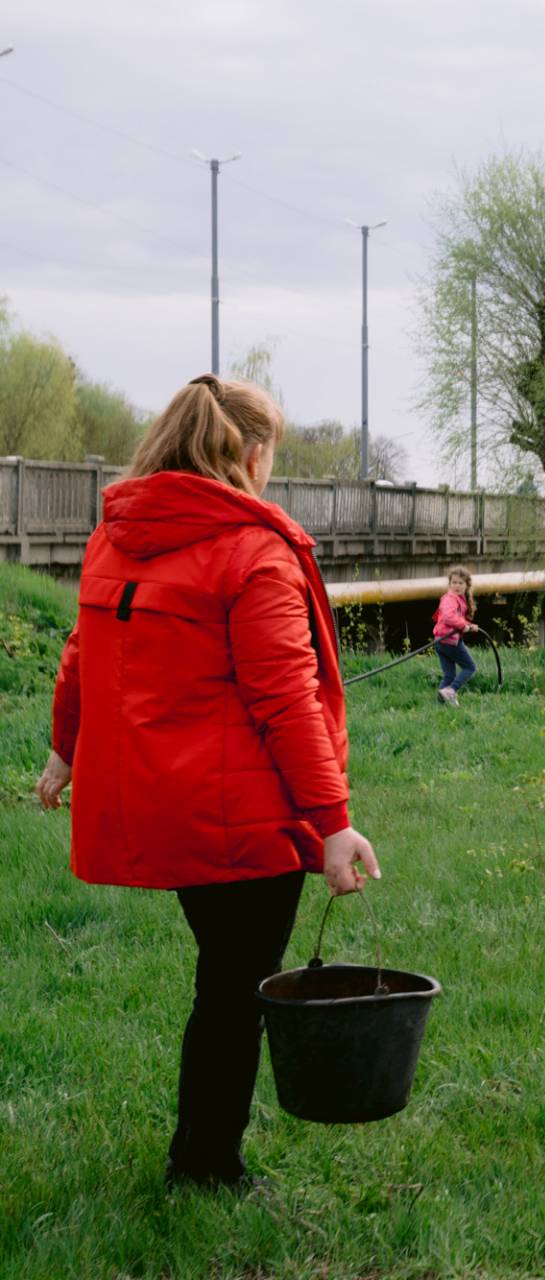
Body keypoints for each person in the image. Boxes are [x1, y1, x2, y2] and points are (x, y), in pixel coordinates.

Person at [35, 373, 380, 1191]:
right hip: (242, 815)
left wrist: (63, 750)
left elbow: (83, 653)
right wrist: (333, 822)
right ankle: (206, 1167)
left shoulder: (115, 538)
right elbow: (286, 699)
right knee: (234, 991)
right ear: (250, 454)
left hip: (168, 803)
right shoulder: (254, 551)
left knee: (223, 981)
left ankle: (199, 1153)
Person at [432, 565, 479, 705]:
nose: (457, 586)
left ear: (467, 585)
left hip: (441, 641)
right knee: (470, 667)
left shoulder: (456, 599)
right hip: (449, 641)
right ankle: (451, 690)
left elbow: (456, 618)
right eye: (454, 582)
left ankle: (440, 704)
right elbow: (448, 617)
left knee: (449, 675)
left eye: (460, 583)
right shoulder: (450, 598)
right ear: (449, 584)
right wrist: (463, 626)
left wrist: (469, 625)